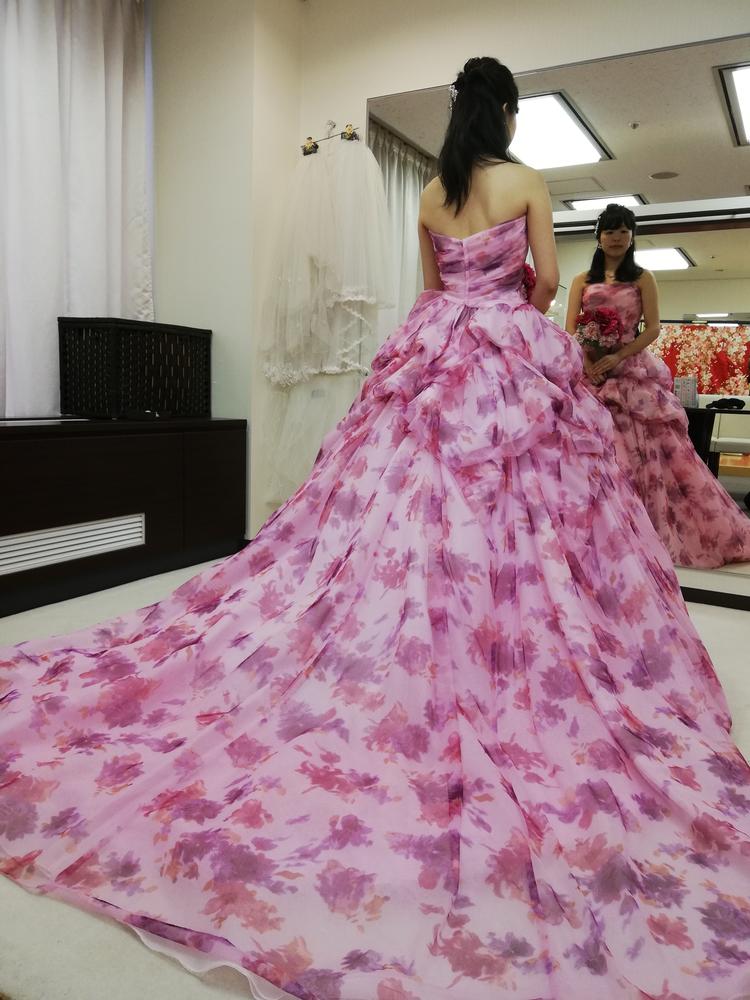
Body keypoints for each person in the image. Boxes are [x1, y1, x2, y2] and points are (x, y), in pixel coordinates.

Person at [2, 58, 750, 1000]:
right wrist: (505, 314)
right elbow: (547, 282)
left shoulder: (433, 193)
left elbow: (431, 288)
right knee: (534, 506)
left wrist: (463, 316)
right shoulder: (525, 181)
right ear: (505, 113)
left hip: (437, 348)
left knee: (400, 500)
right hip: (506, 347)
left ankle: (401, 613)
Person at [566, 203, 750, 569]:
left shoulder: (643, 278)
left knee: (650, 453)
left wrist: (618, 357)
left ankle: (645, 528)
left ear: (632, 236)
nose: (616, 237)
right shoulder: (582, 279)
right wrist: (587, 360)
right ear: (599, 237)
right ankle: (599, 531)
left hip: (630, 368)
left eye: (623, 231)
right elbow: (570, 326)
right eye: (610, 231)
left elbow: (652, 328)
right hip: (590, 370)